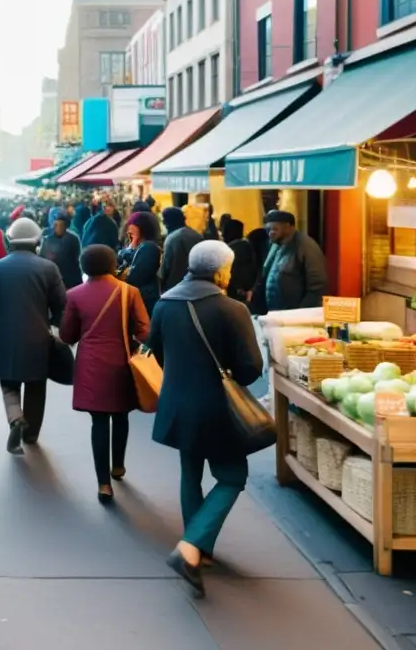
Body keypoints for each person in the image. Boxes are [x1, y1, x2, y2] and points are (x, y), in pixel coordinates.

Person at [149, 240, 263, 598]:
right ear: (220, 272)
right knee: (232, 477)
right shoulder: (232, 309)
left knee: (190, 473)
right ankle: (191, 546)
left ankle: (197, 549)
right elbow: (249, 370)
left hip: (177, 402)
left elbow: (157, 351)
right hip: (216, 407)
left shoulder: (165, 303)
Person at [59, 245, 149, 503]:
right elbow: (144, 330)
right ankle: (118, 466)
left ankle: (103, 485)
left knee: (99, 422)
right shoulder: (129, 292)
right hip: (121, 361)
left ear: (84, 265)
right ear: (112, 264)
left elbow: (67, 335)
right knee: (120, 415)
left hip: (90, 364)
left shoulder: (74, 295)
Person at [0, 218, 66, 454]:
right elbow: (61, 306)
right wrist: (55, 328)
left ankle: (15, 418)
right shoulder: (49, 268)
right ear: (37, 243)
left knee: (9, 384)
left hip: (6, 337)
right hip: (39, 338)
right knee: (36, 386)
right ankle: (31, 434)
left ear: (10, 242)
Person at [251, 210, 328, 314]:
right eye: (268, 230)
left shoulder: (306, 246)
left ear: (288, 226)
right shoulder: (275, 245)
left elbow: (318, 286)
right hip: (275, 314)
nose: (270, 233)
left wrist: (301, 314)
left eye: (274, 229)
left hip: (294, 316)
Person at [120, 211, 163, 316]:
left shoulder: (148, 248)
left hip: (144, 301)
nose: (128, 234)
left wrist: (130, 249)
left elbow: (135, 278)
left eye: (132, 233)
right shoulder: (141, 248)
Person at [160, 205, 204, 292]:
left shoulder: (171, 238)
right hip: (196, 287)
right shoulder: (197, 236)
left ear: (169, 221)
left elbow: (165, 267)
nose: (164, 222)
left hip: (174, 289)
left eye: (165, 220)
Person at [39, 213, 83, 290]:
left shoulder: (73, 239)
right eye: (56, 224)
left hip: (70, 277)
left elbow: (77, 258)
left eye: (61, 225)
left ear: (66, 226)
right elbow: (42, 257)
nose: (58, 227)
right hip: (52, 276)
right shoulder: (47, 239)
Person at [223, 219, 258, 304]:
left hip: (238, 291)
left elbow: (238, 270)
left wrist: (239, 287)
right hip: (244, 290)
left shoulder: (234, 249)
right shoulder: (246, 246)